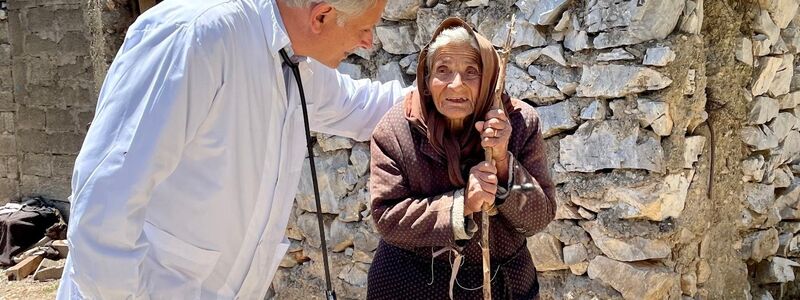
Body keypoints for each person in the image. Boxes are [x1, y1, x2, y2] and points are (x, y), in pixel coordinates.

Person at [57, 0, 408, 299]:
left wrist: (436, 91)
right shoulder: (194, 36)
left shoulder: (294, 56)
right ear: (321, 16)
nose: (368, 42)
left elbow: (360, 106)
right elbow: (105, 202)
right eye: (364, 28)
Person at [366, 18, 557, 299]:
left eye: (471, 72)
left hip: (504, 284)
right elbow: (387, 218)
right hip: (411, 284)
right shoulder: (396, 131)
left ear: (489, 79)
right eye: (443, 70)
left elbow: (538, 217)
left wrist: (503, 162)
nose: (456, 85)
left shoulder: (519, 123)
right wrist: (462, 204)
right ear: (427, 81)